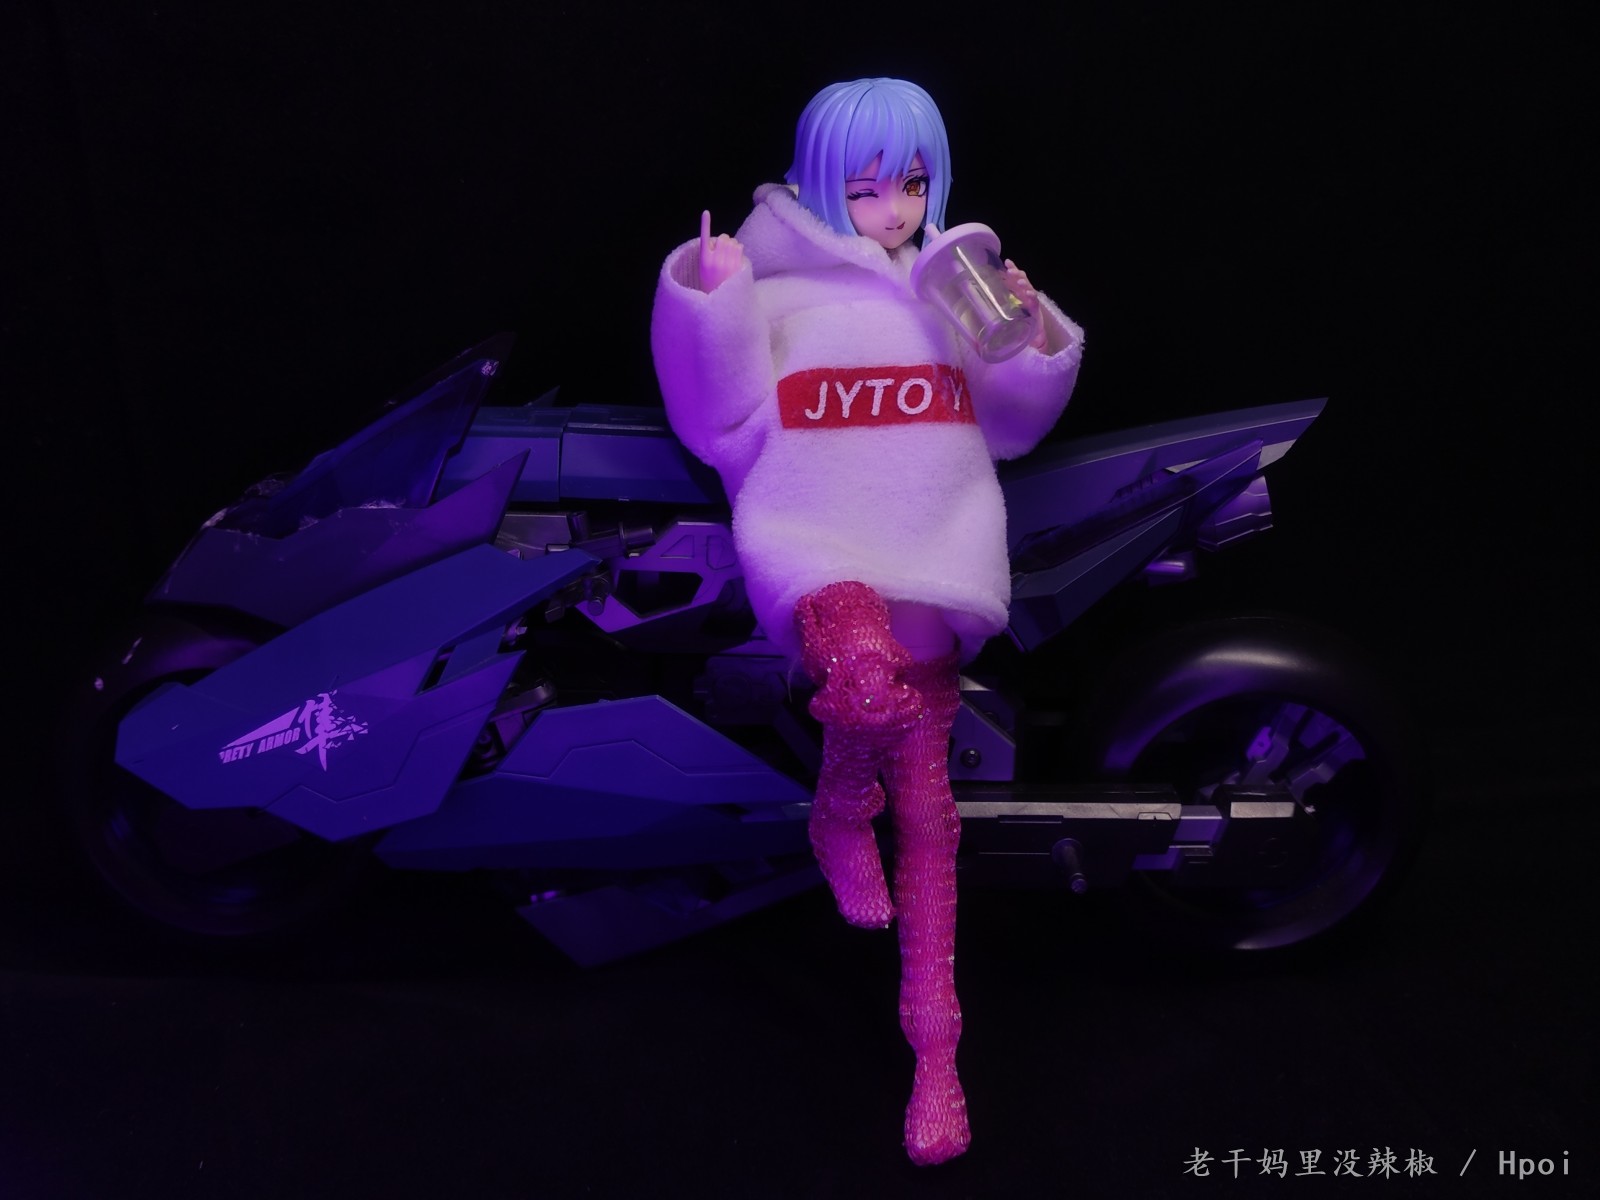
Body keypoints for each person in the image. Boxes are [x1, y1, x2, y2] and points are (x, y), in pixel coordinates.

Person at [649, 76, 1084, 1166]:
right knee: (858, 668)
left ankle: (935, 1056)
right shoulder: (775, 288)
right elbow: (714, 415)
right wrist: (707, 294)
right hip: (817, 543)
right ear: (817, 181)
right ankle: (844, 811)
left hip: (935, 551)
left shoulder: (949, 289)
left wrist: (1027, 330)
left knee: (928, 817)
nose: (893, 208)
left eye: (913, 184)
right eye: (865, 186)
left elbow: (1014, 422)